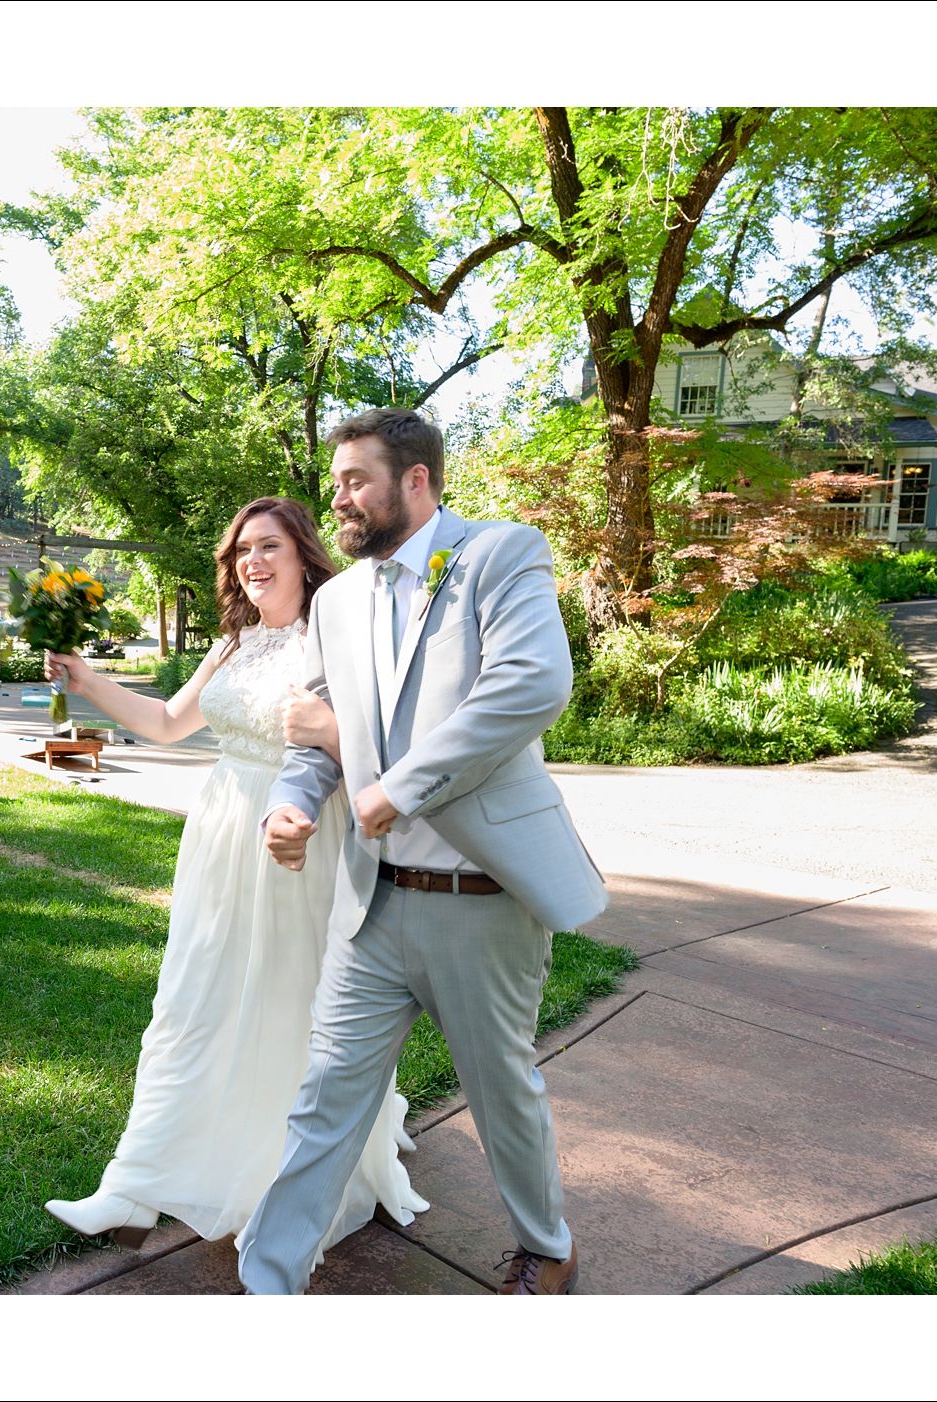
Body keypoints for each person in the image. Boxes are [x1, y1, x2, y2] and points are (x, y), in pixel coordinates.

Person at [241, 408, 607, 1296]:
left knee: (501, 1094)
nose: (340, 498)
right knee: (327, 1095)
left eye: (356, 480)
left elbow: (530, 686)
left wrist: (396, 785)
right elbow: (313, 741)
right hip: (370, 905)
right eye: (336, 483)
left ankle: (545, 1244)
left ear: (415, 480)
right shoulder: (336, 602)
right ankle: (268, 1282)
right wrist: (290, 808)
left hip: (482, 898)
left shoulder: (500, 555)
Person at [39, 495, 426, 1259]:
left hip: (301, 833)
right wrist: (86, 681)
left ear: (305, 555)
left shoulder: (336, 636)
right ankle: (134, 1184)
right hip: (220, 836)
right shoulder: (233, 644)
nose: (252, 561)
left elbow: (384, 750)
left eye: (270, 546)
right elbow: (165, 724)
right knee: (192, 998)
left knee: (292, 1003)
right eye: (243, 549)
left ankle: (282, 1192)